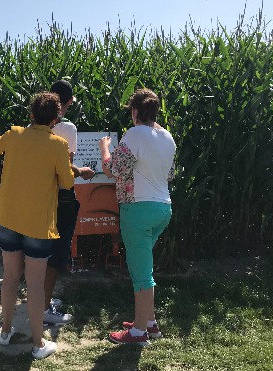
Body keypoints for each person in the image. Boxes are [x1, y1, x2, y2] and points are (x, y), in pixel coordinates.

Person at [0, 92, 74, 359]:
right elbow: (68, 183)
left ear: (31, 114)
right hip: (38, 224)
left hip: (9, 218)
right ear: (56, 119)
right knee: (35, 285)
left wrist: (20, 136)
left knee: (10, 277)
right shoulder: (58, 144)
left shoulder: (14, 135)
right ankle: (38, 344)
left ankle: (5, 331)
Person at [98, 88, 176, 345]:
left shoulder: (135, 134)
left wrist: (105, 149)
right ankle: (149, 322)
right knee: (143, 266)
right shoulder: (167, 137)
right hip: (162, 208)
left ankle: (138, 332)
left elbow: (113, 169)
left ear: (135, 112)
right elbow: (170, 174)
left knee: (142, 273)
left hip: (137, 210)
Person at [43, 80, 95, 326]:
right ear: (69, 102)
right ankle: (44, 308)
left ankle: (39, 300)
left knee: (37, 251)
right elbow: (64, 170)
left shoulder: (34, 124)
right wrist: (83, 170)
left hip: (36, 195)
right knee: (56, 253)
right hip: (60, 197)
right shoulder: (68, 128)